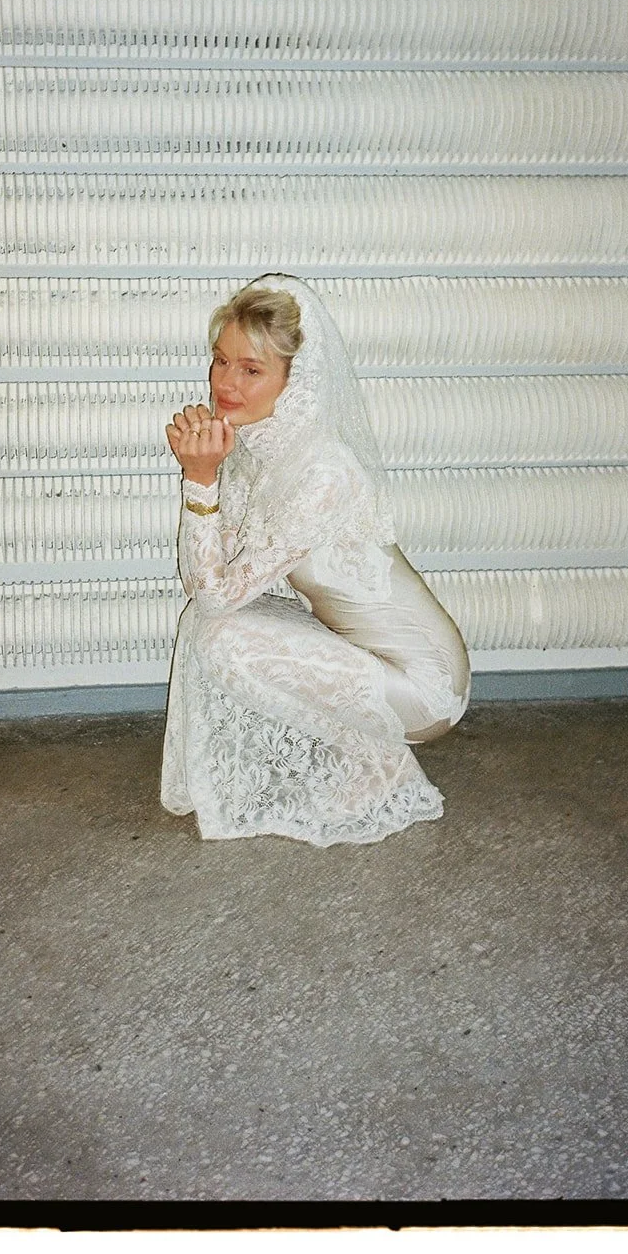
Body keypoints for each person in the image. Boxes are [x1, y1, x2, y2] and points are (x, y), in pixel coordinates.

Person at [160, 273, 470, 846]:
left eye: (251, 370)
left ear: (294, 379)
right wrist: (208, 476)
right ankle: (360, 754)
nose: (225, 383)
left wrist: (199, 482)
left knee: (221, 635)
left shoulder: (324, 471)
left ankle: (380, 766)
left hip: (424, 687)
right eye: (221, 360)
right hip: (366, 655)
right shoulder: (258, 446)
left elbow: (216, 593)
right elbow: (208, 583)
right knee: (208, 630)